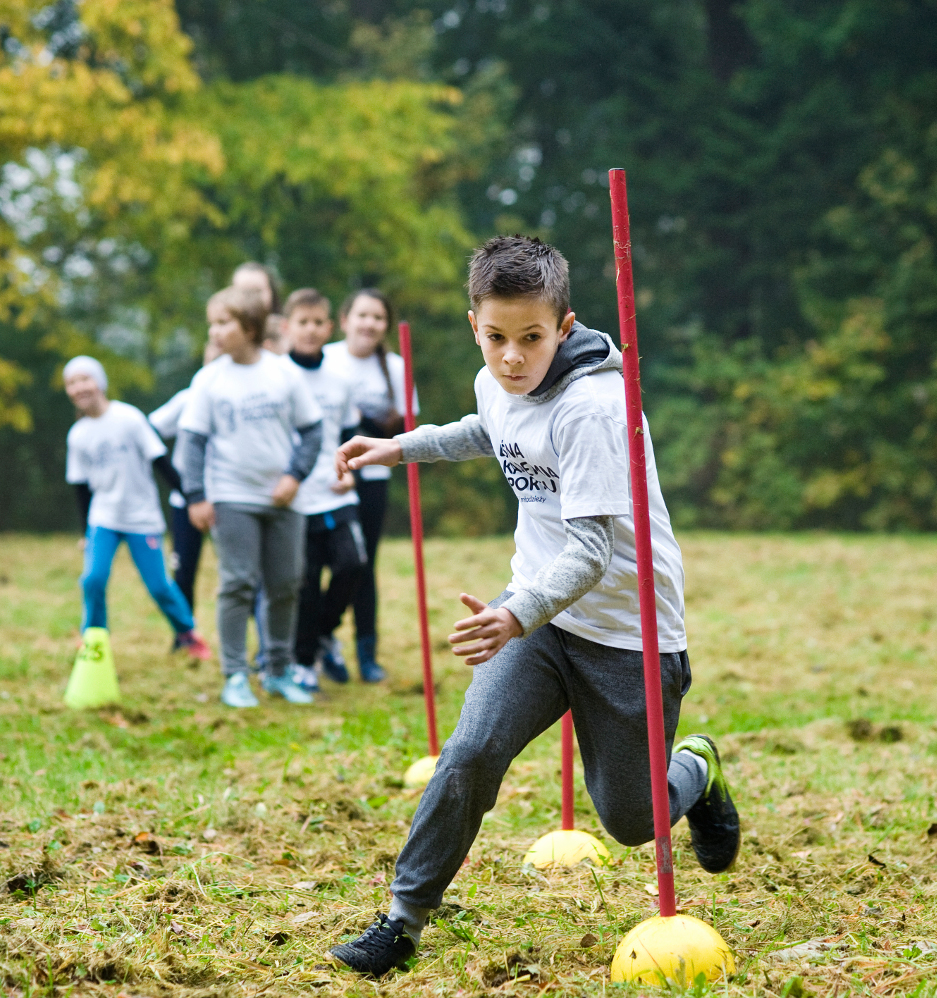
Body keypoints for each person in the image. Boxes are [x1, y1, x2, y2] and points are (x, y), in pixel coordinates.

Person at [325, 236, 740, 977]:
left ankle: (695, 770)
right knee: (471, 751)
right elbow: (488, 430)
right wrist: (397, 448)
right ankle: (403, 919)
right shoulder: (500, 381)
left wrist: (515, 612)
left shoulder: (592, 411)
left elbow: (590, 551)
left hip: (625, 631)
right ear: (474, 324)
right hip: (538, 618)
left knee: (631, 820)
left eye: (530, 339)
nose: (512, 358)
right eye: (495, 338)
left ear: (566, 326)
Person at [177, 287, 323, 709]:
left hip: (283, 501)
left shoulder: (284, 373)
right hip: (230, 496)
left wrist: (295, 476)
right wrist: (196, 496)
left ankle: (276, 671)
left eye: (223, 323)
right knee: (238, 583)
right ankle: (235, 675)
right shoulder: (209, 379)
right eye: (213, 323)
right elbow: (192, 442)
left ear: (250, 327)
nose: (214, 331)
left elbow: (312, 432)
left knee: (285, 585)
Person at [63, 356, 211, 664]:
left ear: (99, 383)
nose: (80, 387)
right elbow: (80, 489)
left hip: (141, 518)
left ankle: (187, 633)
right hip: (103, 517)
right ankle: (94, 640)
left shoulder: (129, 419)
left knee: (158, 586)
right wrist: (84, 533)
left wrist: (193, 499)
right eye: (72, 383)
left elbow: (162, 463)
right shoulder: (77, 435)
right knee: (93, 578)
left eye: (85, 379)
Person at [321, 290, 416, 683]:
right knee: (330, 564)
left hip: (373, 479)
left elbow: (408, 430)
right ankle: (317, 638)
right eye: (362, 315)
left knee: (364, 566)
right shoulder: (325, 358)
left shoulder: (395, 367)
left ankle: (367, 654)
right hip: (327, 479)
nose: (369, 324)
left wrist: (365, 420)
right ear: (344, 320)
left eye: (377, 317)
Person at [282, 288, 368, 690]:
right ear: (287, 328)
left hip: (336, 493)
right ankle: (302, 661)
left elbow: (350, 436)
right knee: (305, 581)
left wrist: (351, 470)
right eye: (303, 322)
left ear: (329, 327)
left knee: (353, 565)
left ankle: (322, 632)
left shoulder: (341, 380)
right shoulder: (277, 376)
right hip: (296, 498)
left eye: (318, 323)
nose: (311, 330)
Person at [148, 341, 223, 619]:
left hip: (228, 499)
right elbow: (149, 429)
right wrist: (172, 472)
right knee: (184, 571)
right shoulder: (187, 399)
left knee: (238, 573)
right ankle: (185, 635)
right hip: (186, 500)